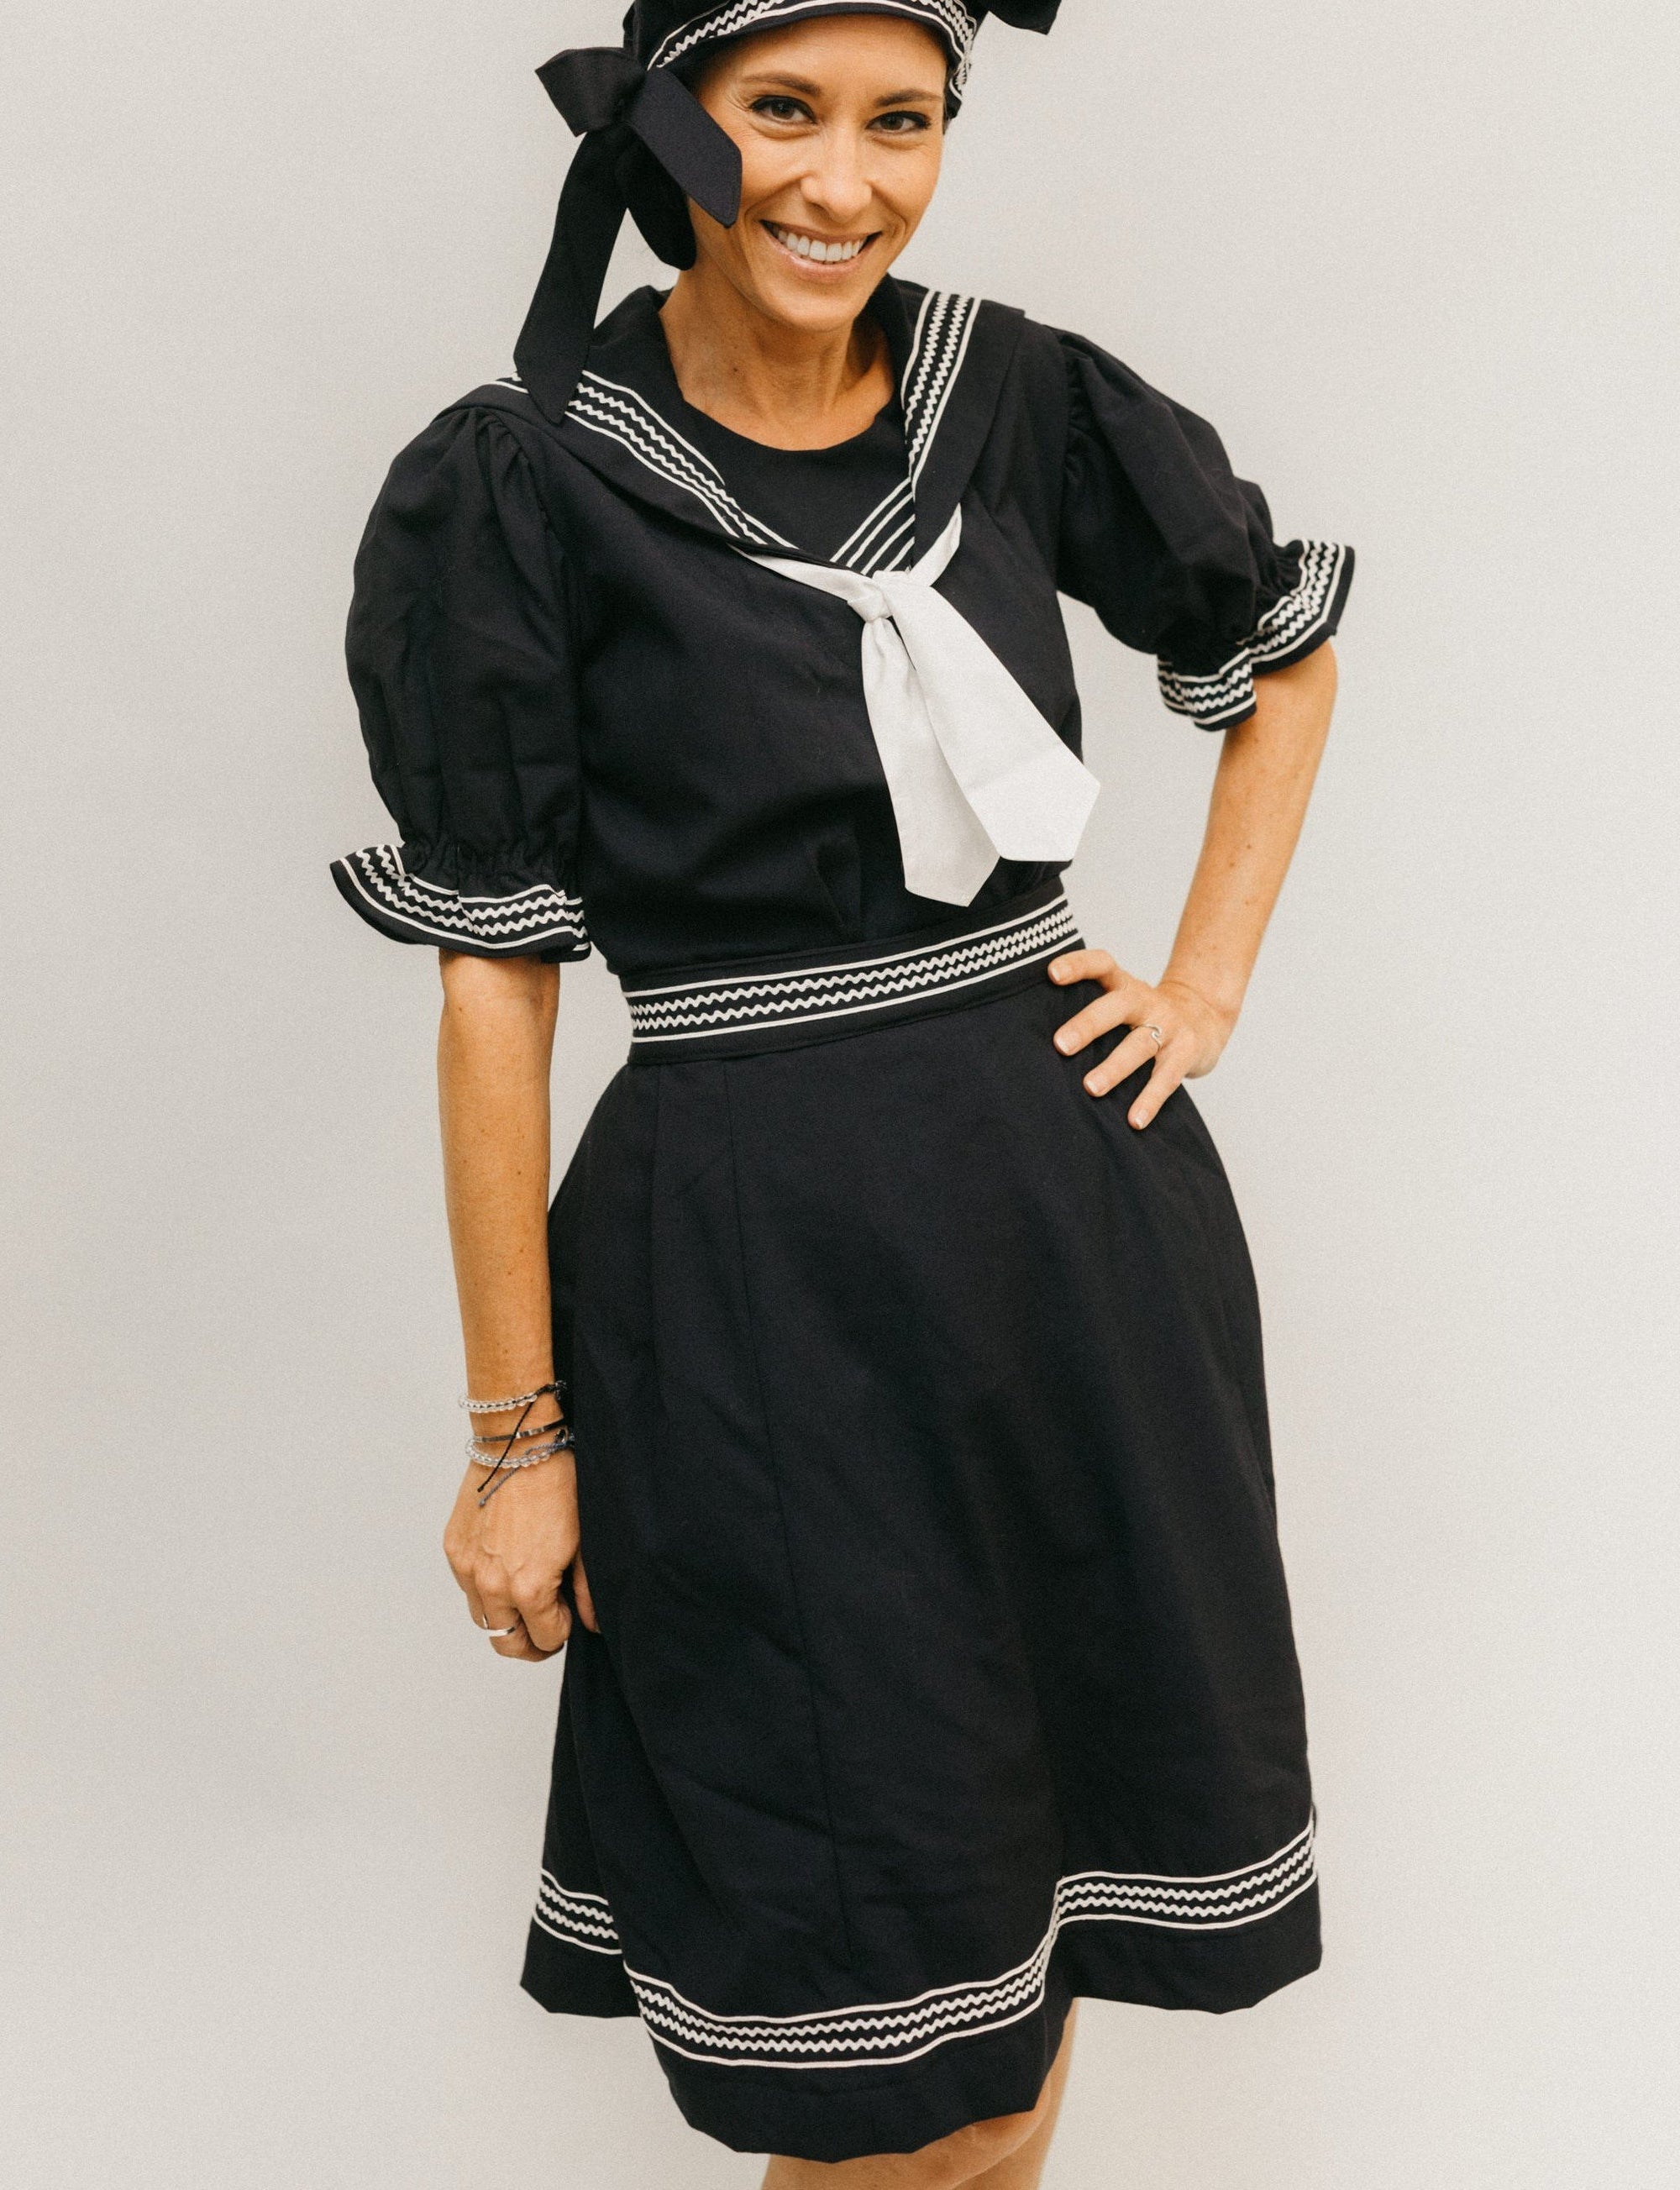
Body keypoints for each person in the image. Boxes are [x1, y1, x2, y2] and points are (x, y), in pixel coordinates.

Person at [332, 4, 1351, 2182]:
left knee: (1029, 1971)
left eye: (906, 122)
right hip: (753, 1305)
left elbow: (1277, 650)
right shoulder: (523, 474)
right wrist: (518, 1440)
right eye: (782, 110)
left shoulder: (1016, 393)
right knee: (876, 2045)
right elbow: (494, 993)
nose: (843, 179)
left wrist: (1206, 986)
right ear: (672, 123)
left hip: (1075, 1258)